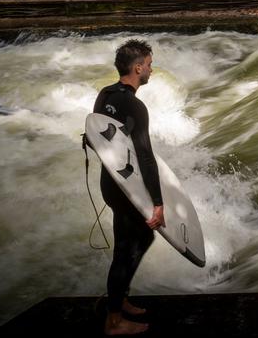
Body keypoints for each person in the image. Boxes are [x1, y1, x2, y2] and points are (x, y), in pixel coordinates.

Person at [92, 40, 166, 336]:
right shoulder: (135, 105)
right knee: (126, 248)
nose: (150, 68)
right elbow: (145, 156)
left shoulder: (105, 94)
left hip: (110, 182)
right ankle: (114, 320)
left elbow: (97, 137)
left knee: (140, 238)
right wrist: (158, 202)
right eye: (148, 64)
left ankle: (119, 298)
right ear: (138, 68)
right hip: (125, 188)